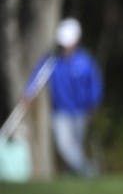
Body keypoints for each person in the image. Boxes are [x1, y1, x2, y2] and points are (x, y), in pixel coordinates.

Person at [23, 17, 103, 177]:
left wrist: (93, 103)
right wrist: (29, 94)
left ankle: (74, 179)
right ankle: (89, 172)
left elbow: (94, 84)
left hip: (81, 111)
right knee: (65, 147)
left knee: (75, 148)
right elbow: (38, 77)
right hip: (60, 111)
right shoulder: (52, 60)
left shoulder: (85, 61)